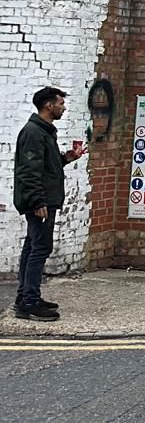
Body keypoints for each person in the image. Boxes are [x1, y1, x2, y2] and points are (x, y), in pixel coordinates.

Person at [13, 86, 87, 321]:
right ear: (48, 105)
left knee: (32, 246)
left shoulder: (44, 131)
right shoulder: (34, 132)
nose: (63, 108)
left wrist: (66, 158)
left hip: (43, 198)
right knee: (40, 248)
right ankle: (29, 302)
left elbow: (45, 167)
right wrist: (38, 201)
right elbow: (29, 171)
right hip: (41, 201)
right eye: (60, 103)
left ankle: (25, 296)